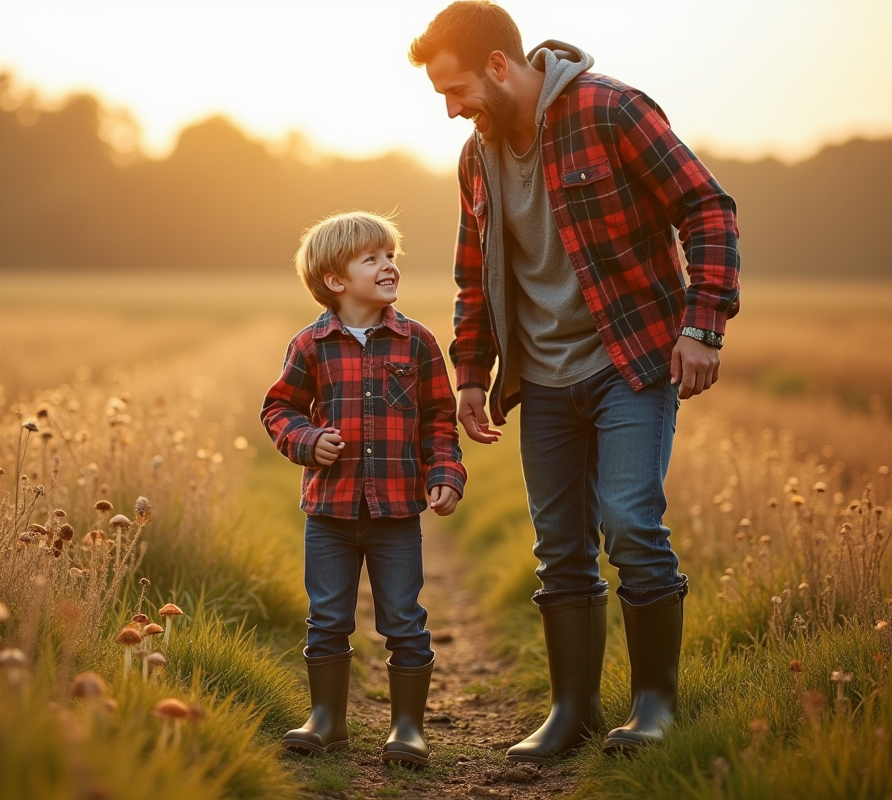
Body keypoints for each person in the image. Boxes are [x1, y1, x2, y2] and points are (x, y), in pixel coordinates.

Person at [408, 1, 740, 762]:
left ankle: (654, 705)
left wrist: (701, 326)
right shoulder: (474, 158)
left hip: (631, 360)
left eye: (454, 92)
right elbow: (473, 277)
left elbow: (707, 208)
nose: (451, 111)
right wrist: (470, 376)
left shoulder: (610, 109)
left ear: (500, 65)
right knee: (560, 547)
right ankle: (573, 710)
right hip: (544, 378)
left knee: (629, 524)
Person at [261, 211, 467, 768]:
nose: (388, 266)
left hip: (396, 512)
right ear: (335, 280)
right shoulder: (310, 345)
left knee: (403, 616)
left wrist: (445, 475)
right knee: (327, 615)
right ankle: (326, 720)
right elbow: (278, 408)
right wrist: (306, 440)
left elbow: (438, 421)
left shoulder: (416, 342)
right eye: (371, 259)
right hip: (328, 511)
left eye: (390, 255)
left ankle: (408, 727)